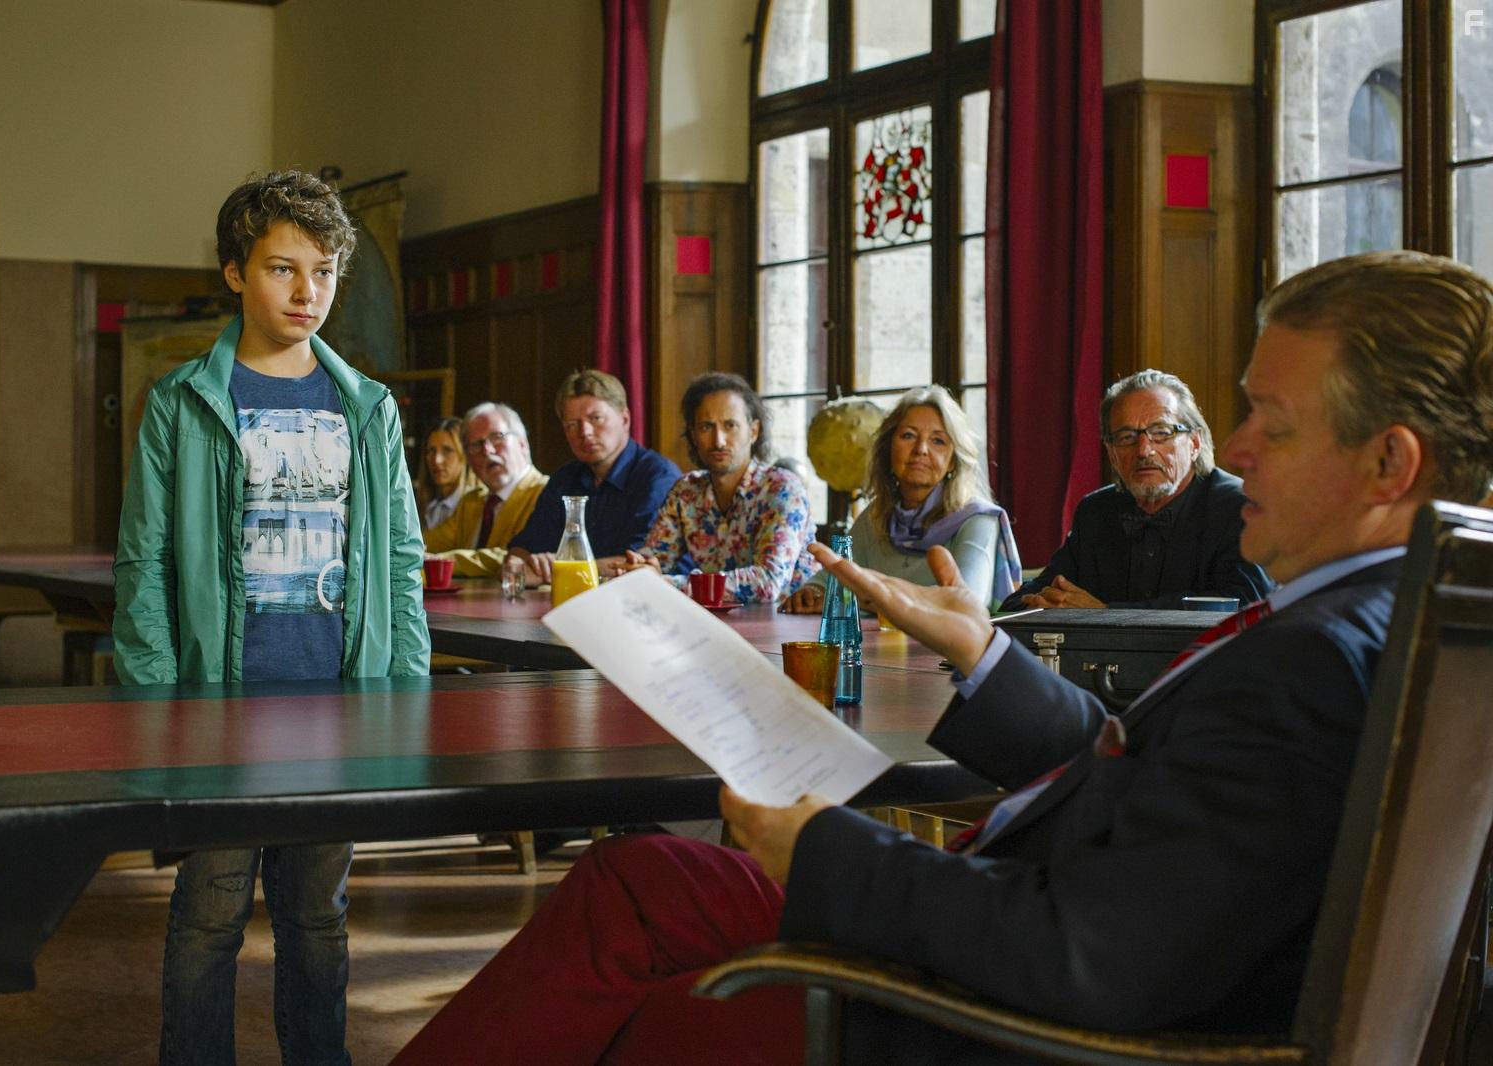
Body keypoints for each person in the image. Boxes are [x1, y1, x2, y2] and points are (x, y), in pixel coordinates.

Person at [390, 250, 1493, 1064]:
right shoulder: (1381, 619)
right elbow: (1153, 790)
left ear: (1388, 461)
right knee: (639, 878)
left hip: (1016, 1018)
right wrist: (986, 656)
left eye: (1268, 419)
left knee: (666, 993)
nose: (1231, 447)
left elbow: (1092, 960)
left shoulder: (1312, 663)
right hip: (1043, 919)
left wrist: (822, 845)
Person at [114, 170, 431, 1066]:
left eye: (325, 272)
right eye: (284, 269)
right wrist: (152, 703)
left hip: (340, 703)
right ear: (233, 273)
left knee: (318, 919)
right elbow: (144, 563)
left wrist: (399, 697)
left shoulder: (368, 407)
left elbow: (401, 562)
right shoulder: (181, 403)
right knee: (209, 916)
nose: (308, 293)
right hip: (221, 704)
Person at [999, 369, 1272, 611]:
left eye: (1162, 432)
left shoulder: (1240, 506)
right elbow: (1036, 595)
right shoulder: (1096, 512)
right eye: (1126, 437)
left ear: (1194, 443)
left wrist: (1106, 614)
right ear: (1111, 451)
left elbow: (1245, 605)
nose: (1144, 450)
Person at [783, 385, 1021, 613]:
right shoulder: (877, 516)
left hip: (949, 653)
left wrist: (864, 597)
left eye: (938, 440)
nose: (921, 449)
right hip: (884, 651)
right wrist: (813, 591)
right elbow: (832, 578)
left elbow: (965, 604)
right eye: (908, 436)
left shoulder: (978, 520)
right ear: (888, 449)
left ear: (952, 460)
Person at [622, 372, 818, 602]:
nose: (719, 441)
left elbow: (767, 583)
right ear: (693, 434)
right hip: (721, 625)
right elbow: (655, 558)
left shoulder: (783, 489)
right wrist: (640, 566)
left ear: (753, 431)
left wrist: (665, 583)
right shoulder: (686, 490)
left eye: (730, 425)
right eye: (706, 427)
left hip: (794, 627)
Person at [504, 369, 681, 585]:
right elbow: (520, 550)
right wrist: (520, 563)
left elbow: (639, 564)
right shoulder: (564, 478)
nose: (585, 432)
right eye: (572, 425)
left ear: (625, 419)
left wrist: (560, 569)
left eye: (596, 418)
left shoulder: (658, 477)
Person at [424, 402, 547, 577]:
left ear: (522, 444)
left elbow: (515, 556)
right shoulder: (472, 501)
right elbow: (430, 542)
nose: (487, 450)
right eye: (476, 445)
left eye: (497, 437)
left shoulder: (546, 492)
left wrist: (438, 562)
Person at [415, 415, 477, 532]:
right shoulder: (425, 508)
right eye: (431, 451)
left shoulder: (476, 509)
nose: (436, 460)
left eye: (447, 450)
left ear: (465, 454)